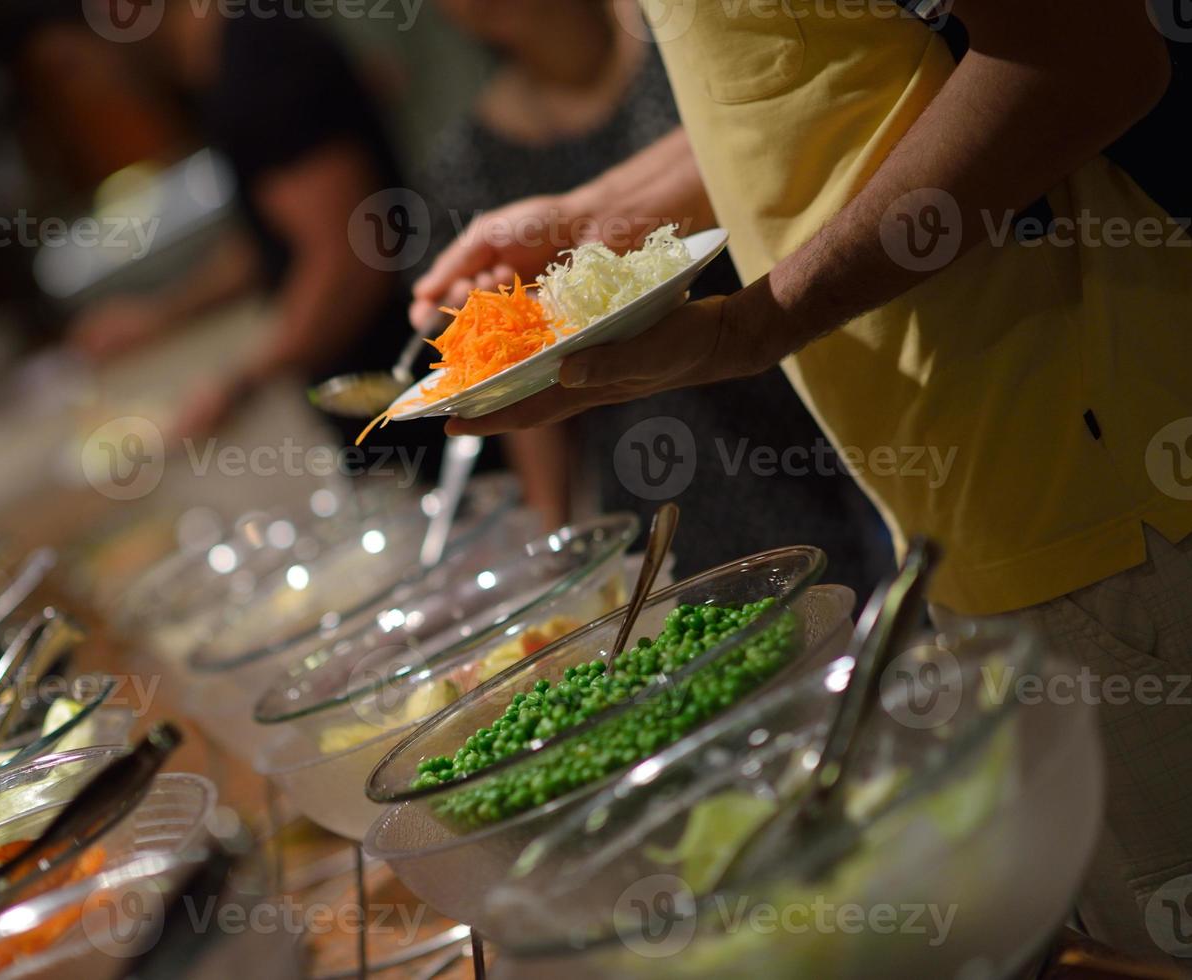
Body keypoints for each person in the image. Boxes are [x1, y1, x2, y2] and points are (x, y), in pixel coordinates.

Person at [411, 0, 1192, 963]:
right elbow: (823, 81)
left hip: (1100, 485)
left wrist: (760, 322)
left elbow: (1086, 59)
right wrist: (592, 221)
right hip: (965, 503)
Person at [422, 0, 890, 592]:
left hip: (804, 368)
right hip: (651, 454)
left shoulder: (683, 33)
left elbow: (778, 134)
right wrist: (553, 542)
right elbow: (515, 378)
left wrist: (750, 330)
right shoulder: (465, 159)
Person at [64, 4, 449, 468]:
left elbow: (346, 261)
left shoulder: (260, 64)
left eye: (76, 61)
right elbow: (275, 237)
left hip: (421, 397)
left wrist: (236, 382)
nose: (90, 82)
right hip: (378, 404)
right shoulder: (227, 61)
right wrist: (159, 315)